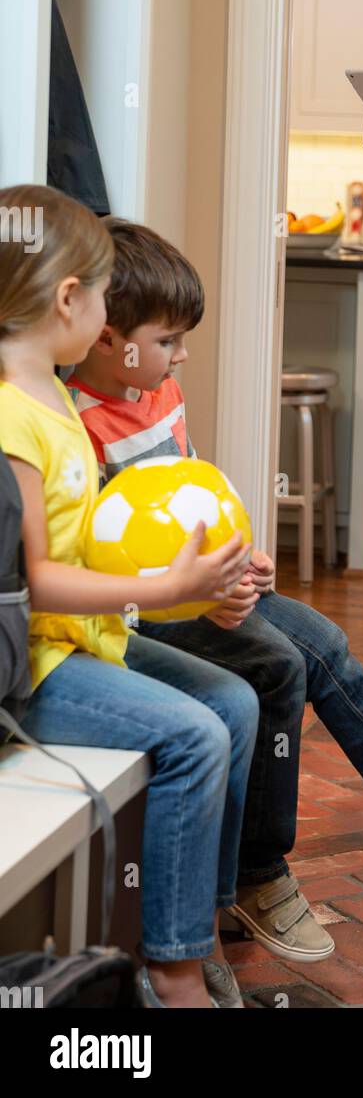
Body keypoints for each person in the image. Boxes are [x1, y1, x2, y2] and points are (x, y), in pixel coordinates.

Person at [67, 216, 363, 952]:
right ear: (108, 338)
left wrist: (244, 557)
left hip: (205, 586)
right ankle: (260, 873)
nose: (182, 356)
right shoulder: (76, 423)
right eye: (168, 342)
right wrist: (198, 587)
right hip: (143, 613)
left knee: (319, 636)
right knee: (276, 661)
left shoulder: (160, 395)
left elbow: (191, 499)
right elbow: (104, 561)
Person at [0, 184, 257, 1009]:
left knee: (237, 704)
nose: (112, 311)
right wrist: (165, 586)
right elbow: (34, 577)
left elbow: (98, 533)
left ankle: (201, 921)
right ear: (69, 298)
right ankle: (173, 969)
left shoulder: (53, 394)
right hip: (41, 663)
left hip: (86, 637)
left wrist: (200, 584)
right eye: (106, 290)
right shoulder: (15, 416)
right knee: (195, 737)